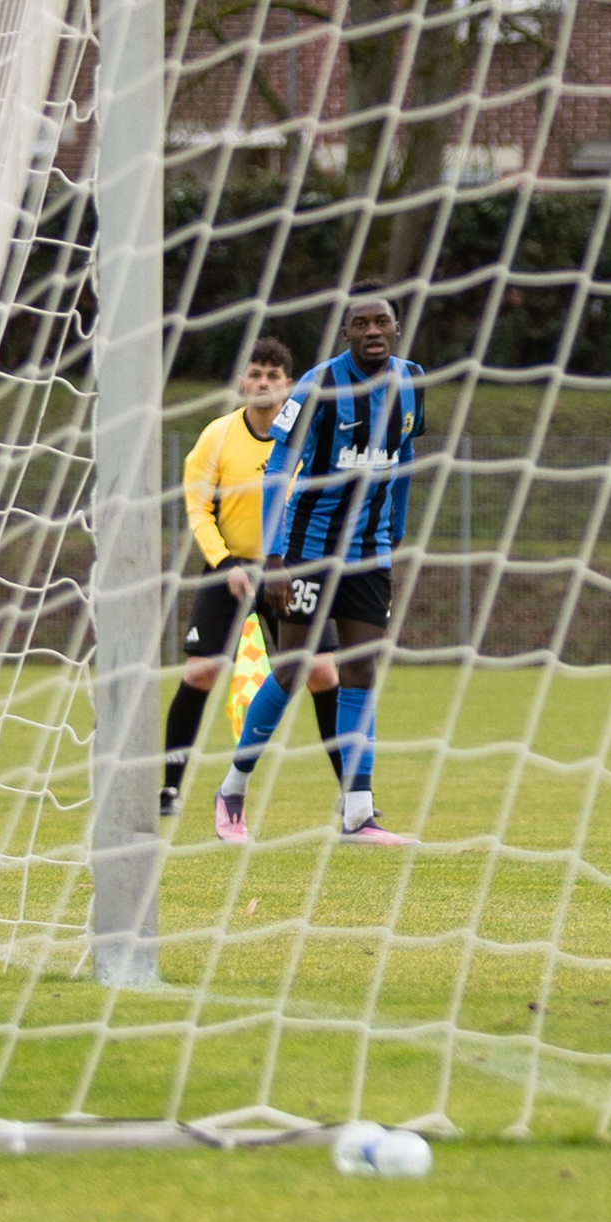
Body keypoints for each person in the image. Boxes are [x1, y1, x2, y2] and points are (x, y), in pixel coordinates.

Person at [214, 295, 423, 847]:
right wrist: (274, 556)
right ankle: (233, 789)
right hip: (308, 551)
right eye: (361, 323)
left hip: (370, 553)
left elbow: (404, 457)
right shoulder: (317, 386)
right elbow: (279, 466)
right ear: (346, 332)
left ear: (396, 328)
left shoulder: (411, 381)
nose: (373, 330)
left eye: (382, 321)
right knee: (293, 669)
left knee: (360, 671)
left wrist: (398, 525)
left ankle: (358, 813)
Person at [160, 337, 343, 818]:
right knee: (200, 672)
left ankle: (353, 794)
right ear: (243, 382)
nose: (263, 383)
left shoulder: (308, 438)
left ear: (289, 384)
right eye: (255, 374)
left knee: (322, 672)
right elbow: (198, 508)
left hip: (292, 569)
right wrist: (224, 565)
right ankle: (169, 789)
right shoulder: (217, 436)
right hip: (230, 567)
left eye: (273, 375)